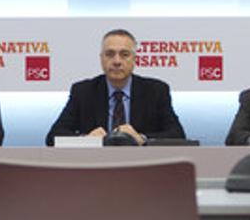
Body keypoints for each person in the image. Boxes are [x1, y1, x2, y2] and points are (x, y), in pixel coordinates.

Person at [45, 29, 185, 146]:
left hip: (142, 167)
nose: (117, 61)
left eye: (124, 55)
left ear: (135, 59)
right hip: (95, 167)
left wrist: (141, 138)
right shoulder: (83, 91)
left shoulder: (156, 91)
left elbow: (178, 136)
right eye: (110, 54)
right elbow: (52, 138)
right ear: (101, 58)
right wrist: (85, 140)